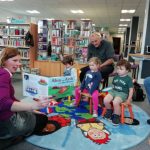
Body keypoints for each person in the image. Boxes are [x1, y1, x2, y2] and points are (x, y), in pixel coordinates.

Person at [0, 48, 58, 146]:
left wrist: (31, 109)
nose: (19, 64)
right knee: (43, 119)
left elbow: (11, 99)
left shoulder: (4, 73)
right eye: (14, 60)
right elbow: (4, 103)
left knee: (36, 115)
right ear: (4, 60)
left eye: (19, 61)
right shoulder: (4, 74)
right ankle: (11, 136)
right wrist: (34, 106)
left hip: (5, 118)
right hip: (6, 122)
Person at [103, 59, 134, 125]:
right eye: (117, 68)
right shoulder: (116, 77)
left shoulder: (128, 79)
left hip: (122, 94)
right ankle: (109, 110)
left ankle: (116, 116)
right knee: (105, 100)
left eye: (121, 69)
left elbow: (131, 90)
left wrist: (128, 99)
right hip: (114, 91)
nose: (118, 70)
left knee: (115, 102)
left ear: (127, 70)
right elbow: (113, 87)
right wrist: (110, 94)